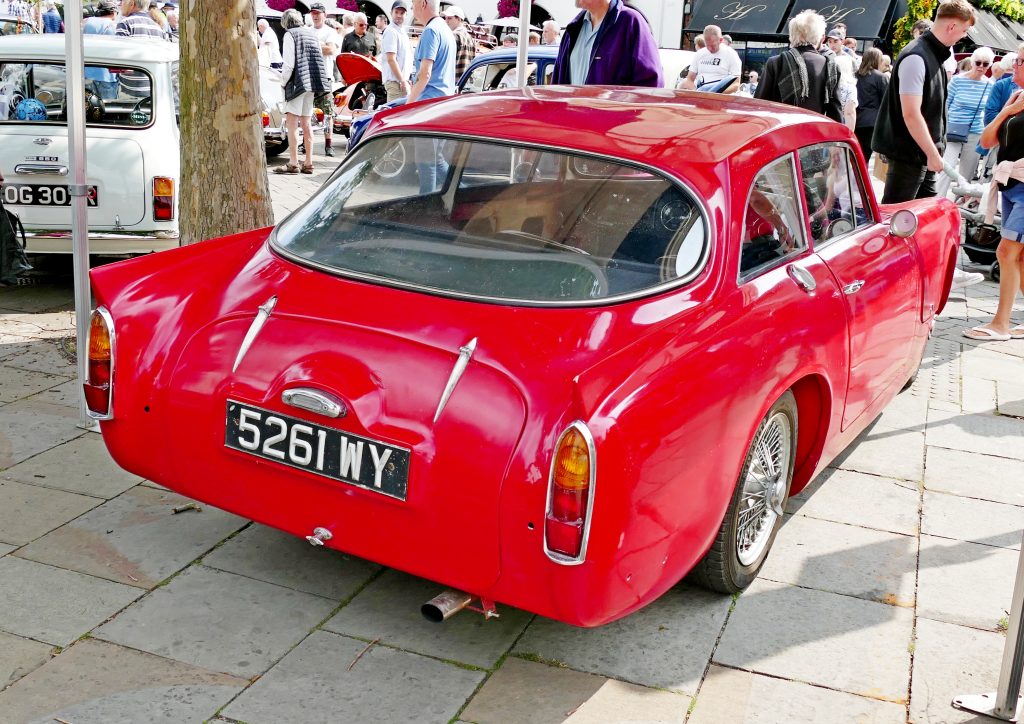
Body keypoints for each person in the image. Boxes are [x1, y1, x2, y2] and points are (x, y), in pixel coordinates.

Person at [872, 0, 975, 204]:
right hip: (911, 154)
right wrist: (931, 153)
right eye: (964, 30)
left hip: (920, 154)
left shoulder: (929, 54)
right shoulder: (917, 56)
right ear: (952, 26)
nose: (964, 36)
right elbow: (911, 113)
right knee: (898, 218)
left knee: (924, 213)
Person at [964, 44, 1024, 340]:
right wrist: (1008, 111)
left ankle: (1001, 324)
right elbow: (987, 140)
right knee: (1019, 257)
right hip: (1010, 185)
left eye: (1021, 61)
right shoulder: (1015, 95)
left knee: (1006, 251)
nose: (1016, 65)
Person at [755, 10, 842, 122]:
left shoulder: (776, 62)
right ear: (820, 37)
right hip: (814, 133)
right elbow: (835, 111)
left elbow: (759, 104)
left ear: (792, 35)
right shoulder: (830, 66)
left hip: (779, 132)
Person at [552, 0, 660, 87]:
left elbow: (651, 85)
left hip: (611, 114)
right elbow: (556, 85)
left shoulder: (631, 23)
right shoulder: (572, 29)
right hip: (571, 113)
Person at [407, 0, 455, 193]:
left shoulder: (431, 31)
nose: (412, 7)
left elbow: (425, 74)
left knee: (426, 163)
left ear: (423, 3)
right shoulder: (444, 29)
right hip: (442, 103)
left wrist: (409, 103)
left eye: (413, 2)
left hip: (429, 105)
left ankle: (425, 207)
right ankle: (460, 195)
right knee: (436, 159)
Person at [274, 8, 329, 175]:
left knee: (292, 123)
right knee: (306, 123)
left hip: (297, 83)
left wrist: (283, 83)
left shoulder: (290, 35)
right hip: (312, 82)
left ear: (286, 23)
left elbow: (289, 64)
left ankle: (293, 162)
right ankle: (309, 162)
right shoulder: (311, 33)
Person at [936, 46, 993, 197]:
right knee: (947, 167)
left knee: (967, 172)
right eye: (978, 62)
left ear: (990, 66)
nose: (981, 67)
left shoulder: (990, 85)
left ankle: (958, 204)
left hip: (976, 131)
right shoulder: (957, 81)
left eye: (985, 64)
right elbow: (945, 105)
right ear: (972, 62)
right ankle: (937, 199)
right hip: (954, 129)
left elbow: (988, 111)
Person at [309, 2, 340, 157]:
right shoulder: (307, 31)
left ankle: (329, 144)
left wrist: (314, 46)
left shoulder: (330, 32)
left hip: (325, 77)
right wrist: (320, 46)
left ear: (324, 15)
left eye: (318, 13)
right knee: (307, 111)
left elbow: (330, 50)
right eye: (313, 13)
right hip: (309, 76)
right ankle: (305, 143)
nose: (315, 16)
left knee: (327, 111)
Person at [681, 25, 739, 92]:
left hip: (721, 94)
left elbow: (736, 84)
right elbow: (690, 79)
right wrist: (696, 91)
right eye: (707, 45)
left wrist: (716, 94)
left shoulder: (731, 54)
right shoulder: (700, 53)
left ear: (721, 40)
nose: (710, 49)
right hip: (701, 91)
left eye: (713, 45)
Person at [854, 47, 888, 165]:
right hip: (872, 122)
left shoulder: (855, 76)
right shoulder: (880, 77)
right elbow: (886, 102)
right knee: (865, 158)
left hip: (856, 120)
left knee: (857, 156)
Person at [84, 1, 119, 99]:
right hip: (106, 75)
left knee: (88, 109)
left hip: (86, 74)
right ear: (113, 12)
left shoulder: (86, 22)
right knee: (107, 110)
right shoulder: (113, 25)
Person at [381, 0, 412, 102]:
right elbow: (391, 59)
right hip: (396, 83)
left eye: (402, 13)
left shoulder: (401, 31)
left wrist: (406, 80)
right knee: (395, 116)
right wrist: (402, 80)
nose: (399, 15)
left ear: (406, 15)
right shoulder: (391, 31)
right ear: (391, 13)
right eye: (396, 12)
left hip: (401, 82)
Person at [442, 6, 475, 81]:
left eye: (449, 18)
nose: (446, 21)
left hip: (453, 81)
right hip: (466, 82)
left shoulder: (453, 36)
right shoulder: (470, 38)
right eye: (445, 18)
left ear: (459, 19)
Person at [836, 54, 858, 130]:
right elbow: (849, 112)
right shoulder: (849, 87)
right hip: (842, 127)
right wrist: (850, 134)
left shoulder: (828, 84)